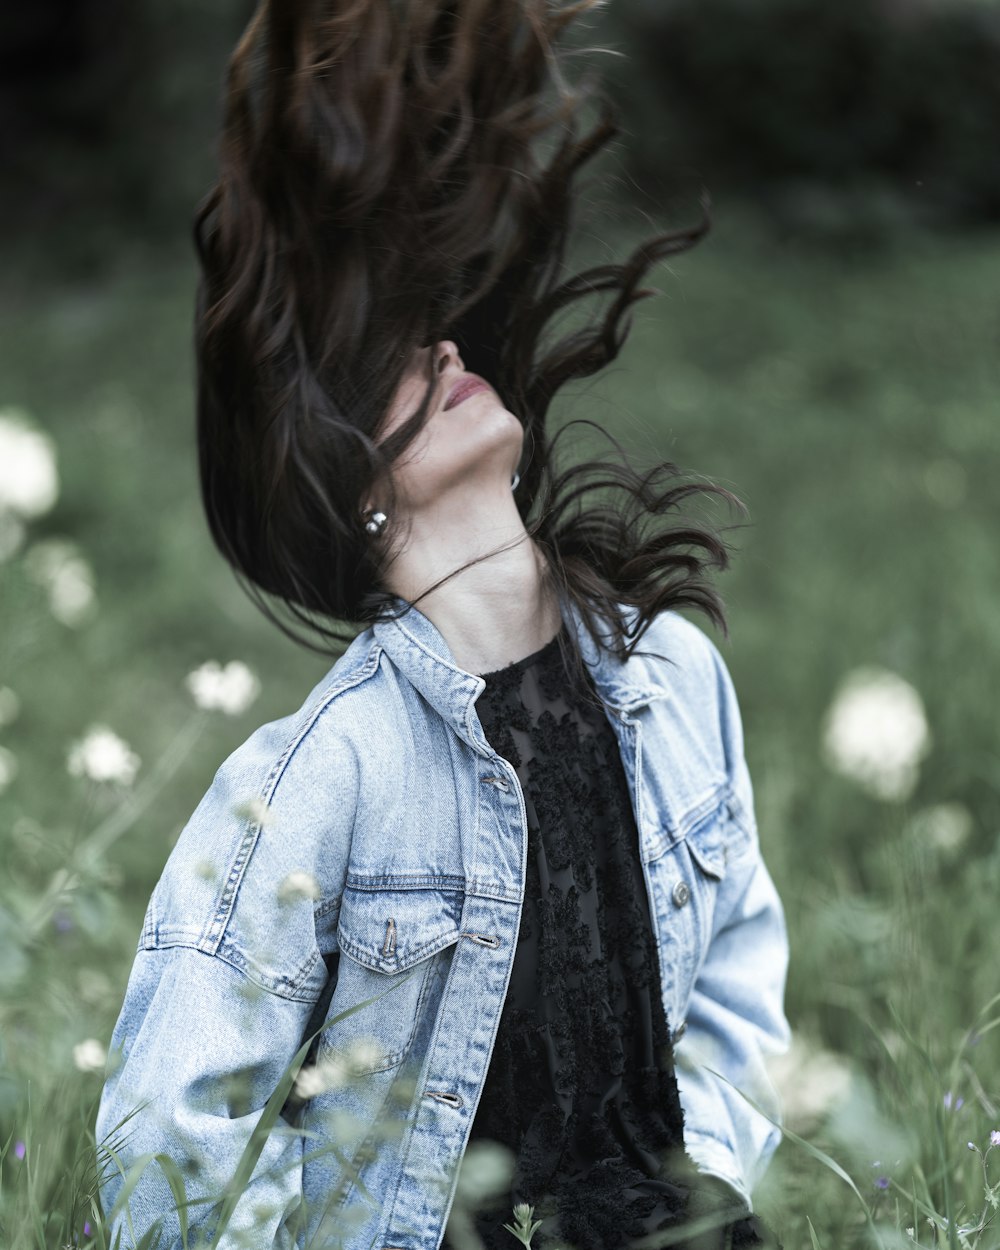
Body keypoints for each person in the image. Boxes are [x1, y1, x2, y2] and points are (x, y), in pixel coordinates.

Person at [95, 2, 790, 1248]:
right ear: (341, 479)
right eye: (386, 367)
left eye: (430, 336)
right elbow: (167, 1123)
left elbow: (739, 971)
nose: (444, 350)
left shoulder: (671, 673)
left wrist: (711, 1177)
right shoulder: (327, 771)